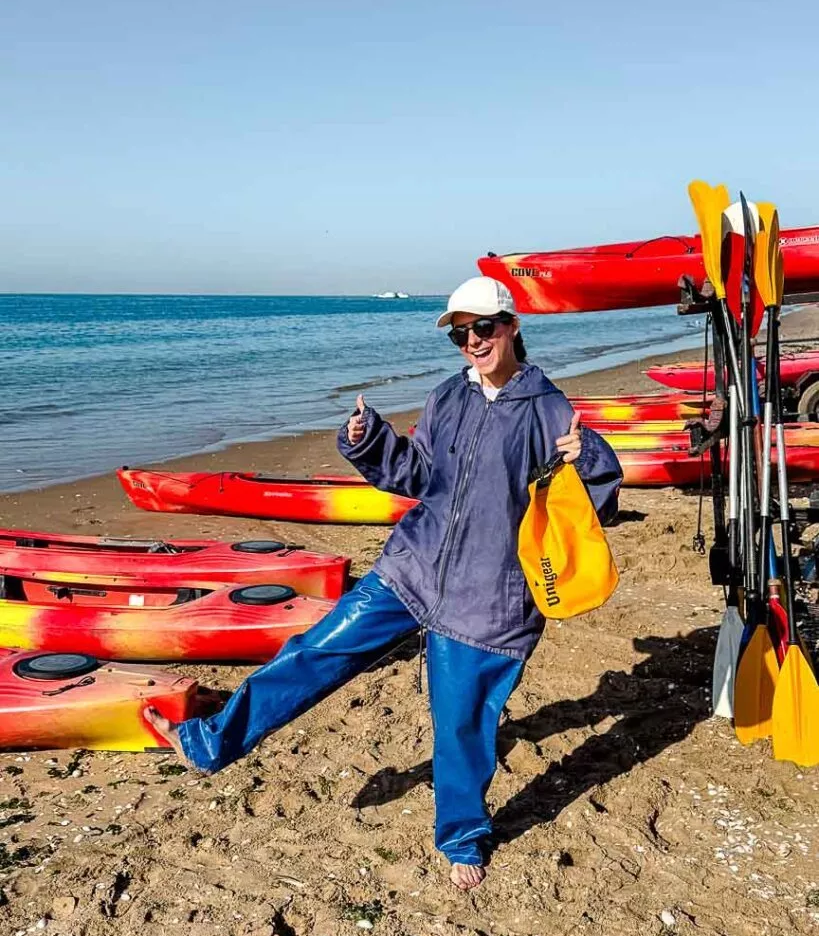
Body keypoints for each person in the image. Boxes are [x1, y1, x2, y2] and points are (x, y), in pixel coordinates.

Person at [146, 276, 623, 891]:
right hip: (412, 568)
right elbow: (418, 473)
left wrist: (587, 458)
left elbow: (596, 507)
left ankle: (463, 837)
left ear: (510, 326)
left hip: (490, 596)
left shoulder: (549, 410)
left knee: (461, 721)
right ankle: (212, 742)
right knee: (314, 652)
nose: (471, 341)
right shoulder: (447, 397)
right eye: (460, 332)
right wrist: (369, 443)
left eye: (482, 328)